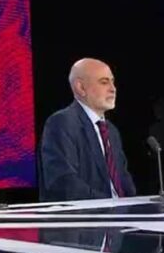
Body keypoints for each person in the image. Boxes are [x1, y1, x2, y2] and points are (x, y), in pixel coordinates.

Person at [40, 58, 136, 201]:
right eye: (104, 82)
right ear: (81, 88)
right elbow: (63, 182)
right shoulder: (62, 123)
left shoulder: (111, 131)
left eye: (112, 82)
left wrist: (134, 204)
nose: (113, 89)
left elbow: (124, 180)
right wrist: (110, 204)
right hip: (88, 213)